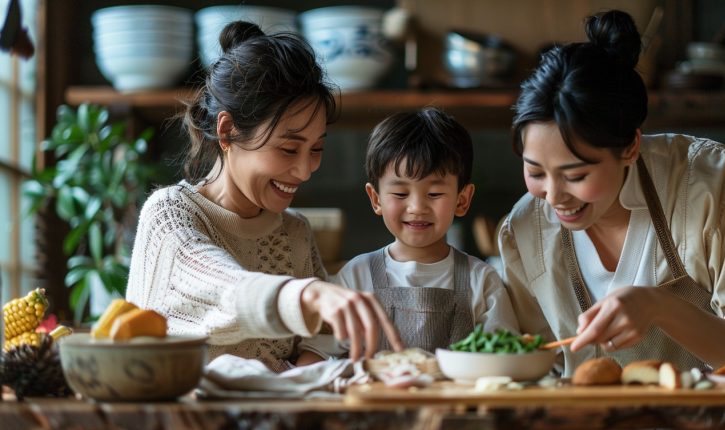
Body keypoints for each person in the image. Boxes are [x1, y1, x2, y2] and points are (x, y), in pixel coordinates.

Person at [499, 9, 725, 376]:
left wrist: (658, 306)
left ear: (629, 147)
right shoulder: (527, 230)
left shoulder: (714, 189)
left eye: (575, 175)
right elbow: (533, 369)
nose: (554, 195)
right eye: (535, 172)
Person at [125, 21, 402, 372]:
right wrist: (307, 295)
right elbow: (220, 286)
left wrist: (304, 373)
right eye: (289, 149)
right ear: (227, 131)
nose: (305, 171)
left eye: (316, 149)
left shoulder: (295, 232)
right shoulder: (169, 215)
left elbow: (320, 340)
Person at [296, 107, 520, 364]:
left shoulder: (481, 280)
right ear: (376, 198)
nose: (417, 208)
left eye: (434, 194)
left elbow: (505, 358)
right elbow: (318, 352)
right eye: (401, 194)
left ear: (462, 199)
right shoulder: (356, 275)